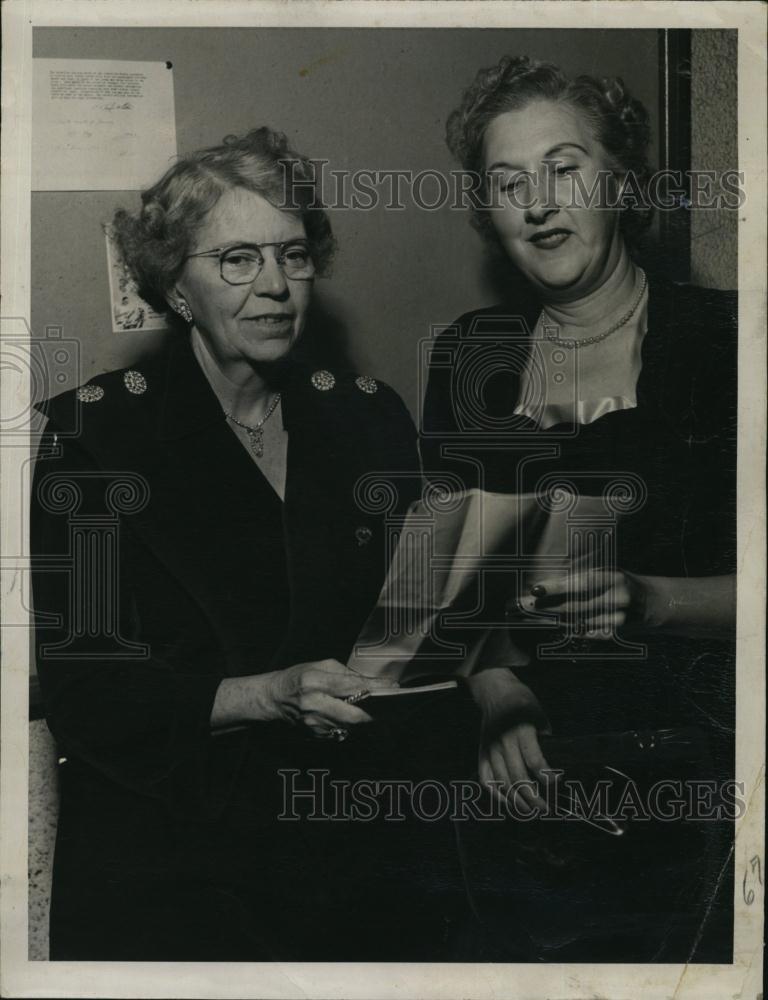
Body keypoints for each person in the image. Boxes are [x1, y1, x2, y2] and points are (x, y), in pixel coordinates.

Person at [31, 127, 470, 961]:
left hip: (348, 845)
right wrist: (269, 694)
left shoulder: (369, 416)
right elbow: (89, 697)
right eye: (236, 259)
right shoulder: (92, 435)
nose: (274, 286)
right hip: (173, 861)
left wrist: (496, 674)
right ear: (176, 285)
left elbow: (414, 622)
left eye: (292, 255)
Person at [422, 56, 737, 961]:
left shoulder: (726, 343)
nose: (538, 201)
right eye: (508, 182)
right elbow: (448, 583)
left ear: (623, 181)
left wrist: (649, 599)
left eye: (565, 167)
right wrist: (494, 688)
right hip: (521, 783)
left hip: (700, 783)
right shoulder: (466, 354)